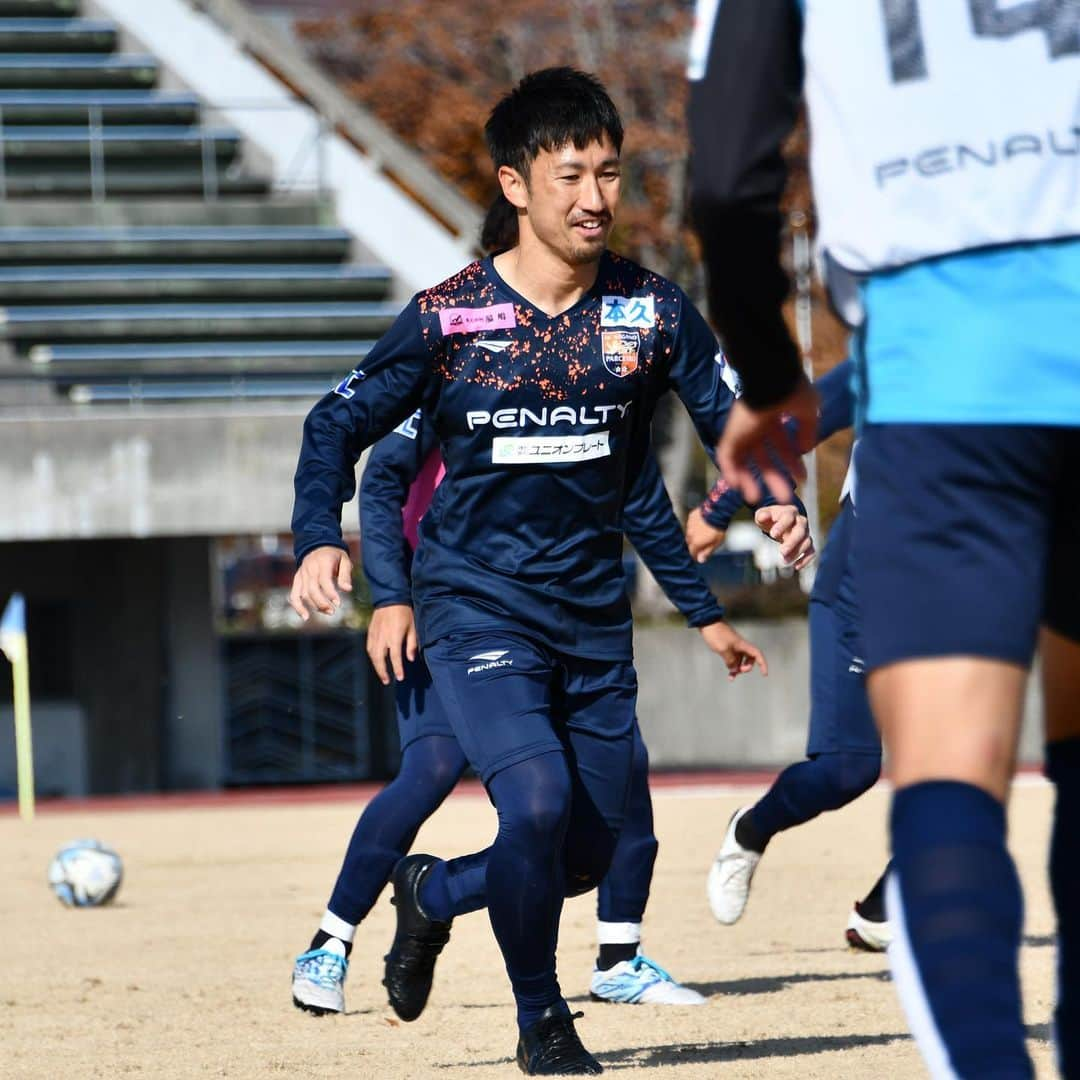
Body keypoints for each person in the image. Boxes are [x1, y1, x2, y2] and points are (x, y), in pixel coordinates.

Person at [290, 66, 807, 1075]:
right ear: (516, 185)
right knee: (530, 806)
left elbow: (729, 413)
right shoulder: (449, 319)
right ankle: (542, 1022)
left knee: (581, 853)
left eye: (609, 173)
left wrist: (775, 492)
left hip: (592, 620)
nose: (595, 197)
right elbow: (336, 421)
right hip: (476, 608)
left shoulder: (650, 314)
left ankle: (432, 894)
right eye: (571, 174)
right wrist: (321, 535)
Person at [687, 5, 1080, 1076]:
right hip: (977, 376)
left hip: (951, 375)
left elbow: (724, 182)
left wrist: (765, 383)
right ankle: (767, 840)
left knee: (945, 780)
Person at [290, 400, 807, 1013]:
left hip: (559, 616)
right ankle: (330, 943)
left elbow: (640, 501)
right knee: (431, 769)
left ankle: (617, 956)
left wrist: (706, 617)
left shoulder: (596, 374)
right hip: (451, 611)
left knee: (623, 773)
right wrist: (392, 596)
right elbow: (380, 482)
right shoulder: (458, 353)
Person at [687, 359, 890, 950]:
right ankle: (750, 830)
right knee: (848, 769)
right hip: (863, 594)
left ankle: (883, 910)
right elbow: (782, 428)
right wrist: (718, 509)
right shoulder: (908, 339)